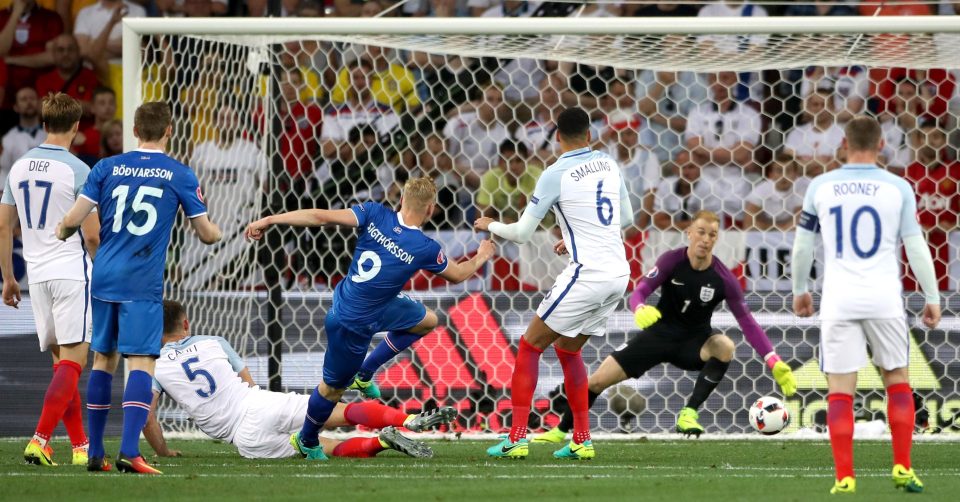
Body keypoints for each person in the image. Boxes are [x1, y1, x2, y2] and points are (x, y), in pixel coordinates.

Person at [244, 177, 495, 461]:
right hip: (352, 324)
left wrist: (271, 219)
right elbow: (459, 274)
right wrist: (482, 255)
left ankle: (364, 373)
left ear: (401, 200)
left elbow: (319, 216)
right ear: (431, 209)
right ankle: (307, 439)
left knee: (427, 320)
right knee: (331, 389)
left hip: (378, 304)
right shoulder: (424, 247)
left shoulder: (374, 212)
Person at [55, 101, 223, 474]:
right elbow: (207, 235)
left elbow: (73, 221)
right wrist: (220, 230)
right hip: (141, 282)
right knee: (142, 362)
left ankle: (96, 453)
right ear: (169, 131)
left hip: (104, 276)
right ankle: (130, 451)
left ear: (134, 130)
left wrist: (62, 231)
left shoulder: (106, 167)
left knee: (103, 360)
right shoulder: (178, 173)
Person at [534, 210, 797, 443]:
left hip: (695, 342)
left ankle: (689, 413)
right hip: (658, 335)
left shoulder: (723, 278)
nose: (706, 239)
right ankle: (561, 430)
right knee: (596, 381)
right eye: (701, 232)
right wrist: (639, 307)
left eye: (712, 235)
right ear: (689, 233)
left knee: (725, 346)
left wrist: (772, 359)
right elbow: (641, 291)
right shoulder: (672, 260)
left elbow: (747, 323)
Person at [791, 115, 941, 495]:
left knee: (840, 390)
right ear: (881, 145)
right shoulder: (898, 188)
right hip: (884, 298)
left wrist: (799, 289)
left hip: (839, 298)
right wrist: (932, 296)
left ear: (843, 144)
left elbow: (803, 244)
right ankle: (903, 468)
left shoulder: (821, 186)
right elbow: (916, 245)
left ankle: (845, 476)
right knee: (897, 381)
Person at [474, 107, 632, 460]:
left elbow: (522, 233)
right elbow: (626, 218)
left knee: (530, 346)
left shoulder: (554, 173)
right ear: (589, 135)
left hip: (588, 273)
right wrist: (576, 237)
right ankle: (582, 439)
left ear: (557, 137)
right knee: (568, 350)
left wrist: (490, 225)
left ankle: (516, 438)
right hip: (618, 275)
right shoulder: (608, 162)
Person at [144, 301, 455, 460]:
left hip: (244, 435)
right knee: (338, 411)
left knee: (327, 446)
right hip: (260, 402)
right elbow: (248, 382)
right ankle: (407, 418)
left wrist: (163, 452)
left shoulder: (153, 366)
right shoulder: (214, 342)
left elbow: (147, 417)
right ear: (185, 324)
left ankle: (383, 441)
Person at [0, 93, 100, 467]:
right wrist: (103, 271)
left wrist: (9, 279)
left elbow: (3, 226)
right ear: (76, 127)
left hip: (38, 276)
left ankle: (79, 447)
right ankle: (40, 439)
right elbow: (91, 236)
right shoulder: (78, 170)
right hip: (71, 272)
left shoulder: (19, 167)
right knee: (75, 363)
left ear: (43, 124)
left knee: (63, 367)